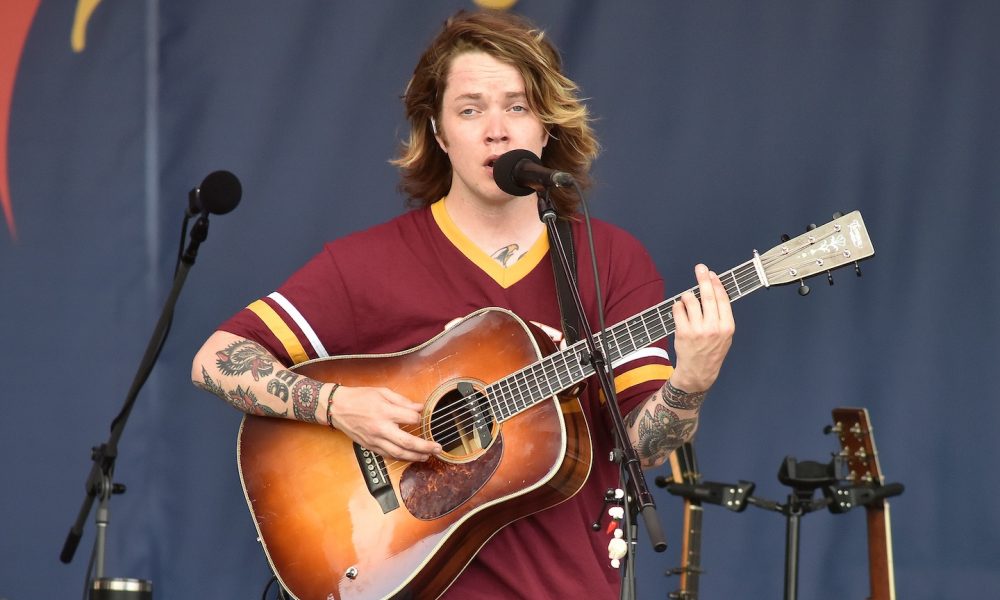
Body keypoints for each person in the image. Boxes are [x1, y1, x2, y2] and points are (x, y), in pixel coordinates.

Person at [191, 9, 734, 600]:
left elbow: (641, 447)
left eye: (518, 106)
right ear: (440, 132)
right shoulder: (369, 262)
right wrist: (336, 404)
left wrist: (692, 381)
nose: (496, 131)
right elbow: (216, 358)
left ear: (546, 127)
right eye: (471, 109)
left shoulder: (612, 259)